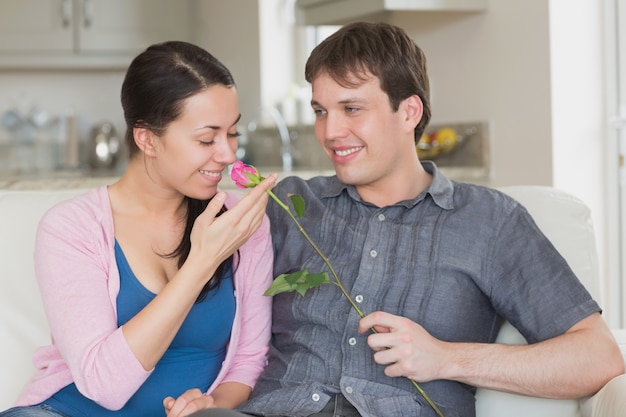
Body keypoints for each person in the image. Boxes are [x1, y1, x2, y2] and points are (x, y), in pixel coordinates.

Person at [188, 21, 625, 417]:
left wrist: (448, 358)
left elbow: (598, 355)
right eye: (321, 111)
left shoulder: (489, 221)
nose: (330, 132)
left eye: (352, 109)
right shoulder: (288, 205)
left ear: (409, 112)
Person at [0, 41, 277, 417]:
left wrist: (213, 405)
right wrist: (200, 264)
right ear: (146, 138)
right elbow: (103, 387)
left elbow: (248, 359)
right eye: (206, 138)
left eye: (233, 133)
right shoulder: (71, 228)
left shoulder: (241, 223)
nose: (228, 155)